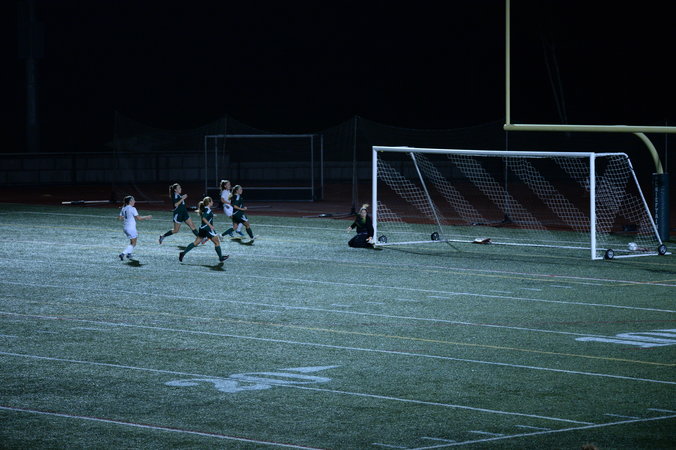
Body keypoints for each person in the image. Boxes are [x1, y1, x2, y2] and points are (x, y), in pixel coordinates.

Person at [179, 196, 228, 262]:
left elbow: (206, 216)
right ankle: (221, 258)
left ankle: (183, 253)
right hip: (207, 229)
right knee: (217, 242)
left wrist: (212, 215)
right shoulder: (207, 210)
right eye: (211, 201)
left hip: (202, 228)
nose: (213, 202)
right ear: (209, 203)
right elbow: (204, 218)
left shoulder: (205, 208)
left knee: (196, 243)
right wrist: (210, 225)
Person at [118, 195, 152, 260]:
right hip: (131, 228)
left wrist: (126, 216)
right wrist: (147, 217)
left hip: (125, 228)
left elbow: (119, 218)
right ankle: (123, 254)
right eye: (133, 200)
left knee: (132, 242)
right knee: (134, 243)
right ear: (130, 201)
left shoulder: (123, 208)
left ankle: (129, 254)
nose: (134, 201)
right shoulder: (133, 208)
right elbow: (139, 218)